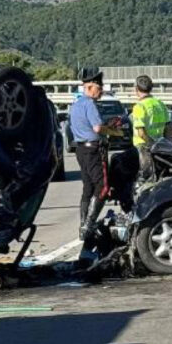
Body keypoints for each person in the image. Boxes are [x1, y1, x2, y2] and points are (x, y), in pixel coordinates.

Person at [69, 67, 122, 240]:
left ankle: (83, 225)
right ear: (91, 87)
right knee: (103, 187)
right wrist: (111, 129)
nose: (101, 92)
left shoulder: (75, 105)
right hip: (94, 149)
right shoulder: (90, 104)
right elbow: (97, 128)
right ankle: (89, 224)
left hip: (80, 149)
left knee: (88, 187)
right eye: (100, 88)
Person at [131, 74, 171, 177]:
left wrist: (151, 144)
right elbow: (168, 128)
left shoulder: (139, 106)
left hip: (144, 148)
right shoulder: (160, 104)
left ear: (136, 89)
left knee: (145, 178)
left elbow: (141, 132)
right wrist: (165, 144)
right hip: (160, 147)